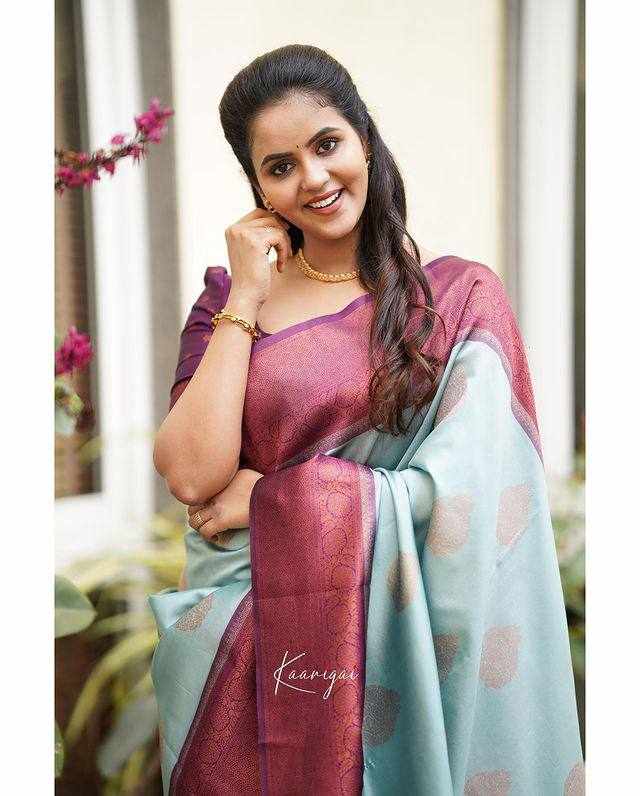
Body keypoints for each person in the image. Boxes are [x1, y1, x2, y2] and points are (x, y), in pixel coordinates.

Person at [150, 44, 584, 795]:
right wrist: (247, 297)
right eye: (280, 166)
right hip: (242, 652)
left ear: (364, 138)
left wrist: (274, 501)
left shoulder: (455, 301)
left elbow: (476, 492)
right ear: (258, 188)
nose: (314, 178)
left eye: (327, 144)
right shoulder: (228, 300)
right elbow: (191, 474)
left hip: (395, 648)